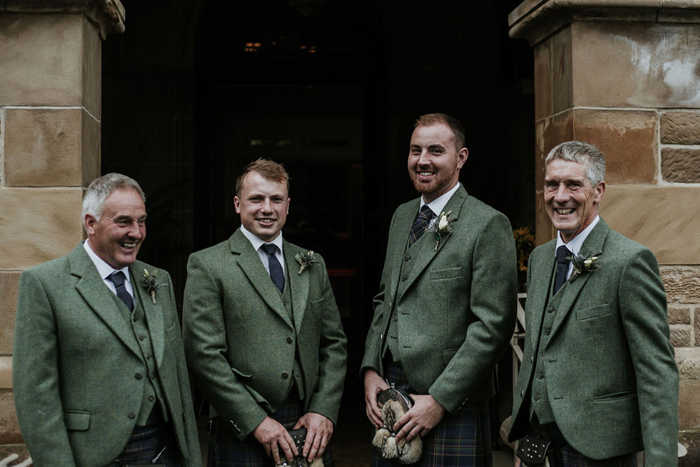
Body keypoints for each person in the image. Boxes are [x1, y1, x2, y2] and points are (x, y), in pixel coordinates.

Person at [508, 141, 679, 466]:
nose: (560, 196)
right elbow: (538, 355)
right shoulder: (541, 259)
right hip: (539, 447)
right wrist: (525, 442)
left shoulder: (630, 261)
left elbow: (657, 373)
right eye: (551, 185)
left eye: (573, 184)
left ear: (598, 190)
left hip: (601, 451)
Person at [13, 173, 202, 466]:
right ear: (91, 223)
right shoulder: (45, 284)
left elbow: (177, 377)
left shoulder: (157, 279)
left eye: (142, 221)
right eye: (124, 221)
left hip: (165, 452)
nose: (137, 232)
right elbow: (35, 396)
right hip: (95, 455)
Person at [362, 113, 518, 466]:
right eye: (415, 150)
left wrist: (440, 400)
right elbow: (383, 300)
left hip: (452, 403)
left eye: (435, 151)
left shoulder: (487, 223)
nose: (423, 161)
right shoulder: (402, 216)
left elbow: (493, 327)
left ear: (460, 157)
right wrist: (371, 370)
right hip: (393, 395)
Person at [183, 159, 347, 466]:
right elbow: (203, 355)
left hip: (305, 423)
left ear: (287, 205)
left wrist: (323, 409)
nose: (267, 209)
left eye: (276, 199)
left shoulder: (312, 263)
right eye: (256, 199)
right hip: (241, 427)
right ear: (237, 204)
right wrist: (255, 420)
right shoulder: (208, 265)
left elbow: (334, 344)